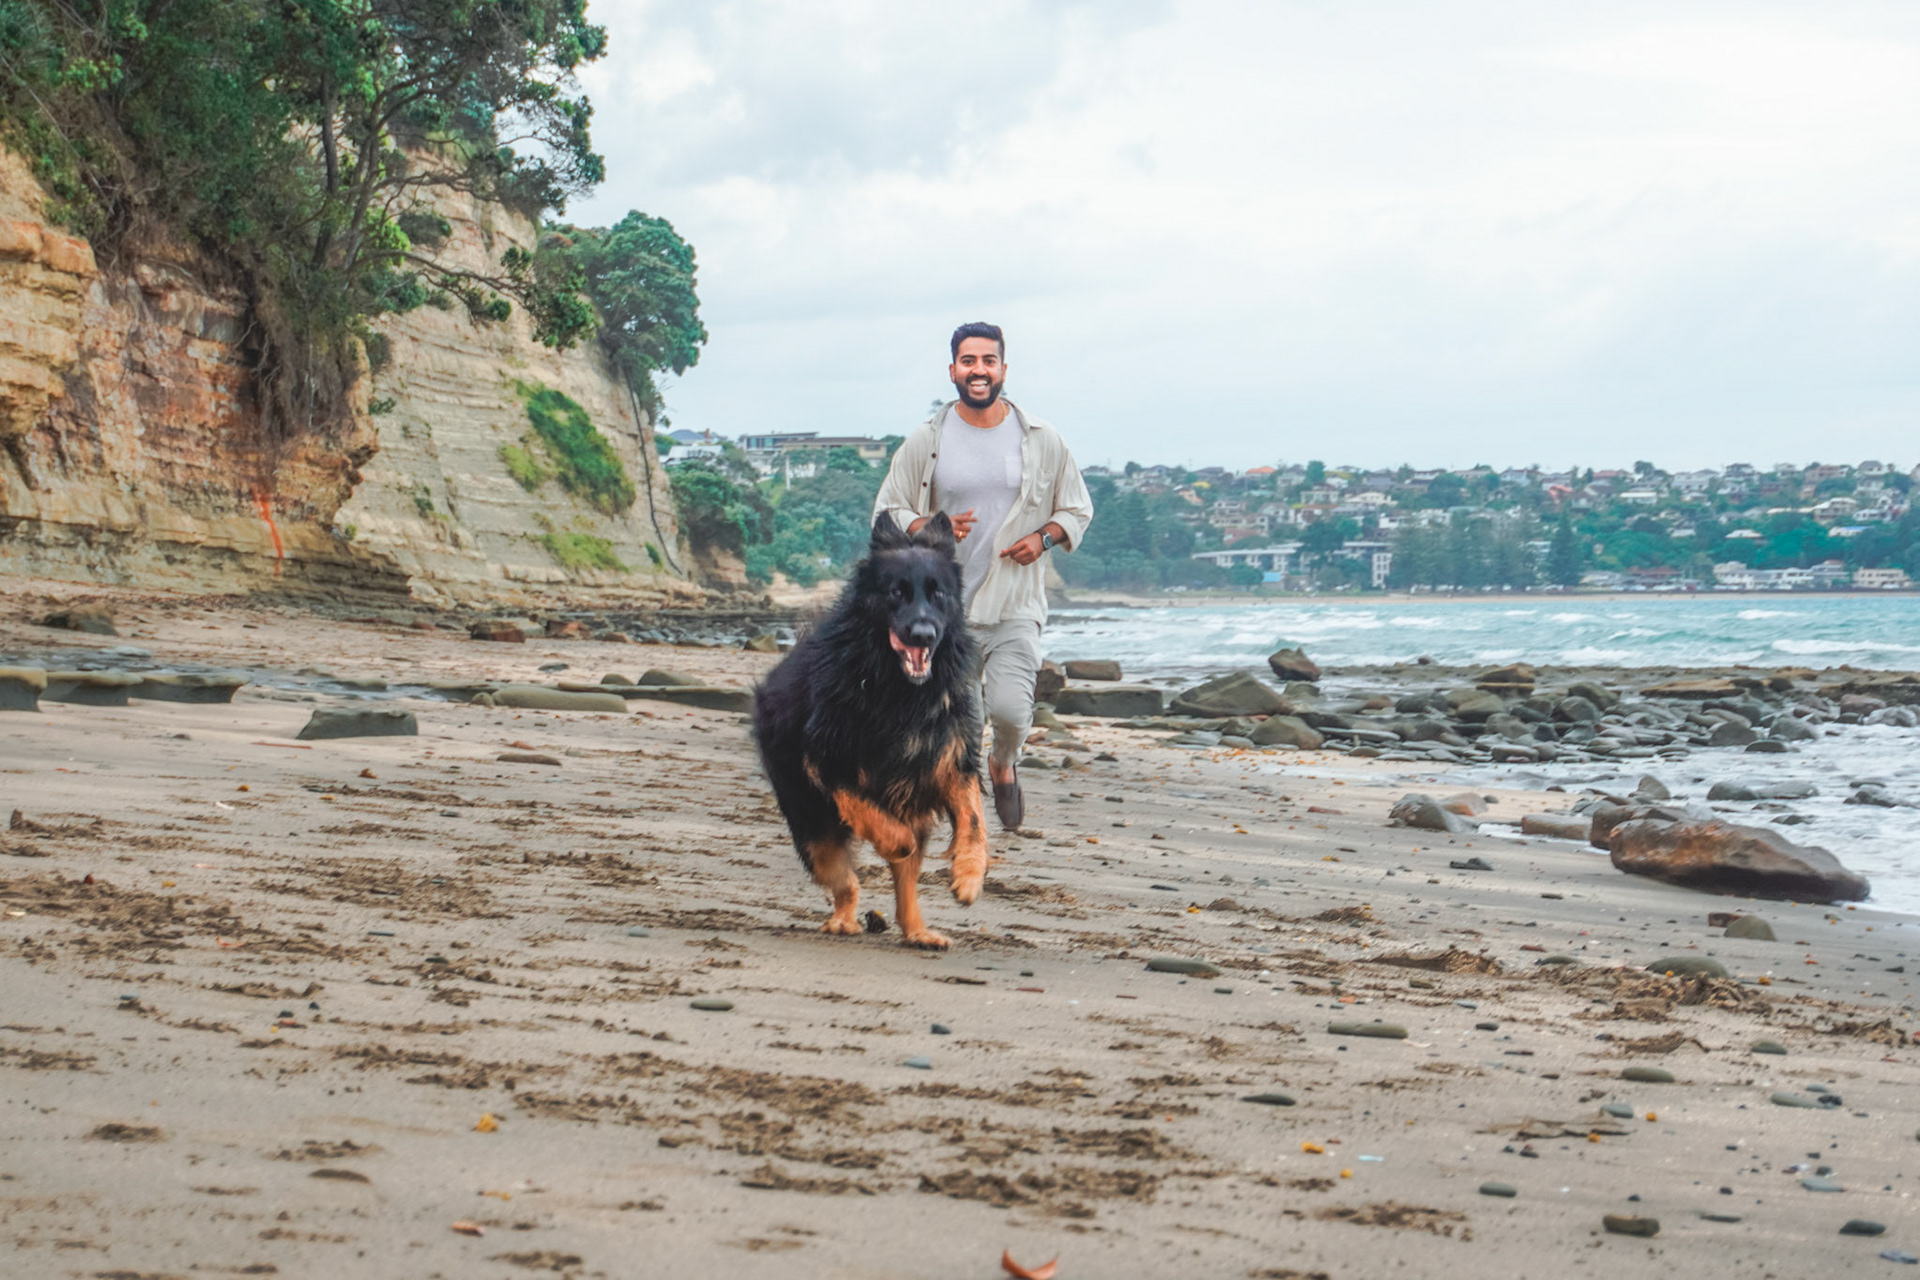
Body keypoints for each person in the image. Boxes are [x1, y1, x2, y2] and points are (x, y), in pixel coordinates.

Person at [873, 321, 1094, 830]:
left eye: (988, 361)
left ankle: (1004, 764)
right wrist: (926, 525)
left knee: (1013, 713)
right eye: (968, 361)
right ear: (953, 370)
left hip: (1015, 602)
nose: (979, 370)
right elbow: (887, 509)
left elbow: (1077, 508)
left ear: (1003, 369)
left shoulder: (1043, 439)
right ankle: (968, 808)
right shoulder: (925, 441)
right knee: (965, 723)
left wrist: (1042, 539)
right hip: (947, 615)